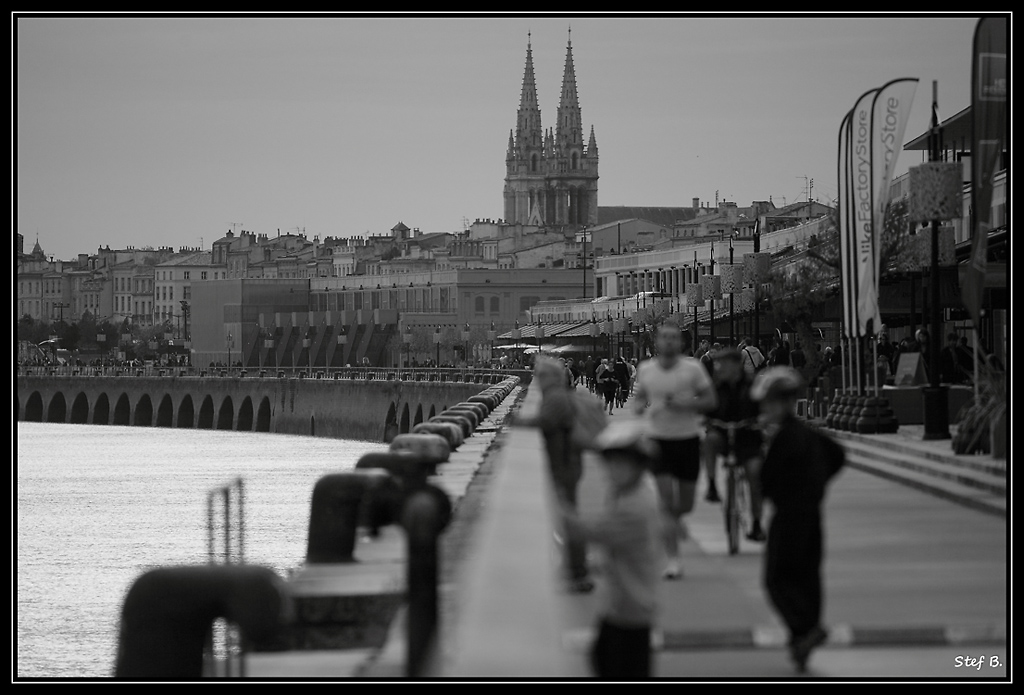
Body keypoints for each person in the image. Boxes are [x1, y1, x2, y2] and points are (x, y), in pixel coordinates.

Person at [751, 367, 845, 674]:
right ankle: (803, 635)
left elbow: (766, 480)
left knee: (777, 579)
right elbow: (837, 455)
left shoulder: (784, 437)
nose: (765, 409)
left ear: (784, 403)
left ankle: (805, 628)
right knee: (806, 575)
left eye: (770, 403)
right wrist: (817, 487)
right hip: (810, 514)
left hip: (789, 516)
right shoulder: (805, 433)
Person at [559, 420, 663, 679]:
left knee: (617, 664)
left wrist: (556, 503)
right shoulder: (631, 492)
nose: (612, 470)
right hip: (624, 601)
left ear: (638, 465)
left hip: (632, 605)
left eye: (621, 464)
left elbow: (589, 531)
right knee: (604, 657)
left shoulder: (635, 506)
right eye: (610, 463)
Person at [632, 322, 718, 579]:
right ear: (657, 342)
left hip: (688, 439)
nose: (669, 341)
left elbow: (711, 400)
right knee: (666, 502)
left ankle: (675, 520)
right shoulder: (646, 369)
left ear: (680, 342)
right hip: (658, 440)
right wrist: (638, 406)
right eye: (664, 337)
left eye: (673, 337)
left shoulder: (693, 368)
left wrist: (688, 404)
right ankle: (673, 559)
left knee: (686, 504)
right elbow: (639, 396)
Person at [531, 356, 594, 594]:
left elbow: (546, 422)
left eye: (541, 375)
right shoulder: (557, 395)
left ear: (552, 377)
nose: (537, 379)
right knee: (568, 515)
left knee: (568, 517)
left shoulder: (555, 397)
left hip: (565, 464)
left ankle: (578, 569)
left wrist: (518, 421)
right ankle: (577, 568)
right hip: (568, 463)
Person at [701, 348, 766, 541]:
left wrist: (761, 421)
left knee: (754, 474)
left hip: (749, 438)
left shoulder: (753, 385)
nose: (719, 368)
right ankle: (712, 485)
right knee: (709, 440)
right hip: (723, 435)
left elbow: (764, 408)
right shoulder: (715, 386)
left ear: (737, 365)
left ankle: (756, 523)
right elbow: (708, 409)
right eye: (718, 364)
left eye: (724, 364)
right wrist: (706, 420)